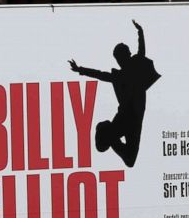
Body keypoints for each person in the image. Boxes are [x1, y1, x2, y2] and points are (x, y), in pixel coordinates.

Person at [68, 20, 160, 168]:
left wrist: (140, 32)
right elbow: (99, 74)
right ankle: (106, 131)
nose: (129, 55)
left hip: (136, 120)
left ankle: (107, 131)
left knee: (130, 161)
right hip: (125, 117)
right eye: (124, 54)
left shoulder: (136, 67)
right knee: (103, 146)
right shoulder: (119, 76)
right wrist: (80, 69)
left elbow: (141, 51)